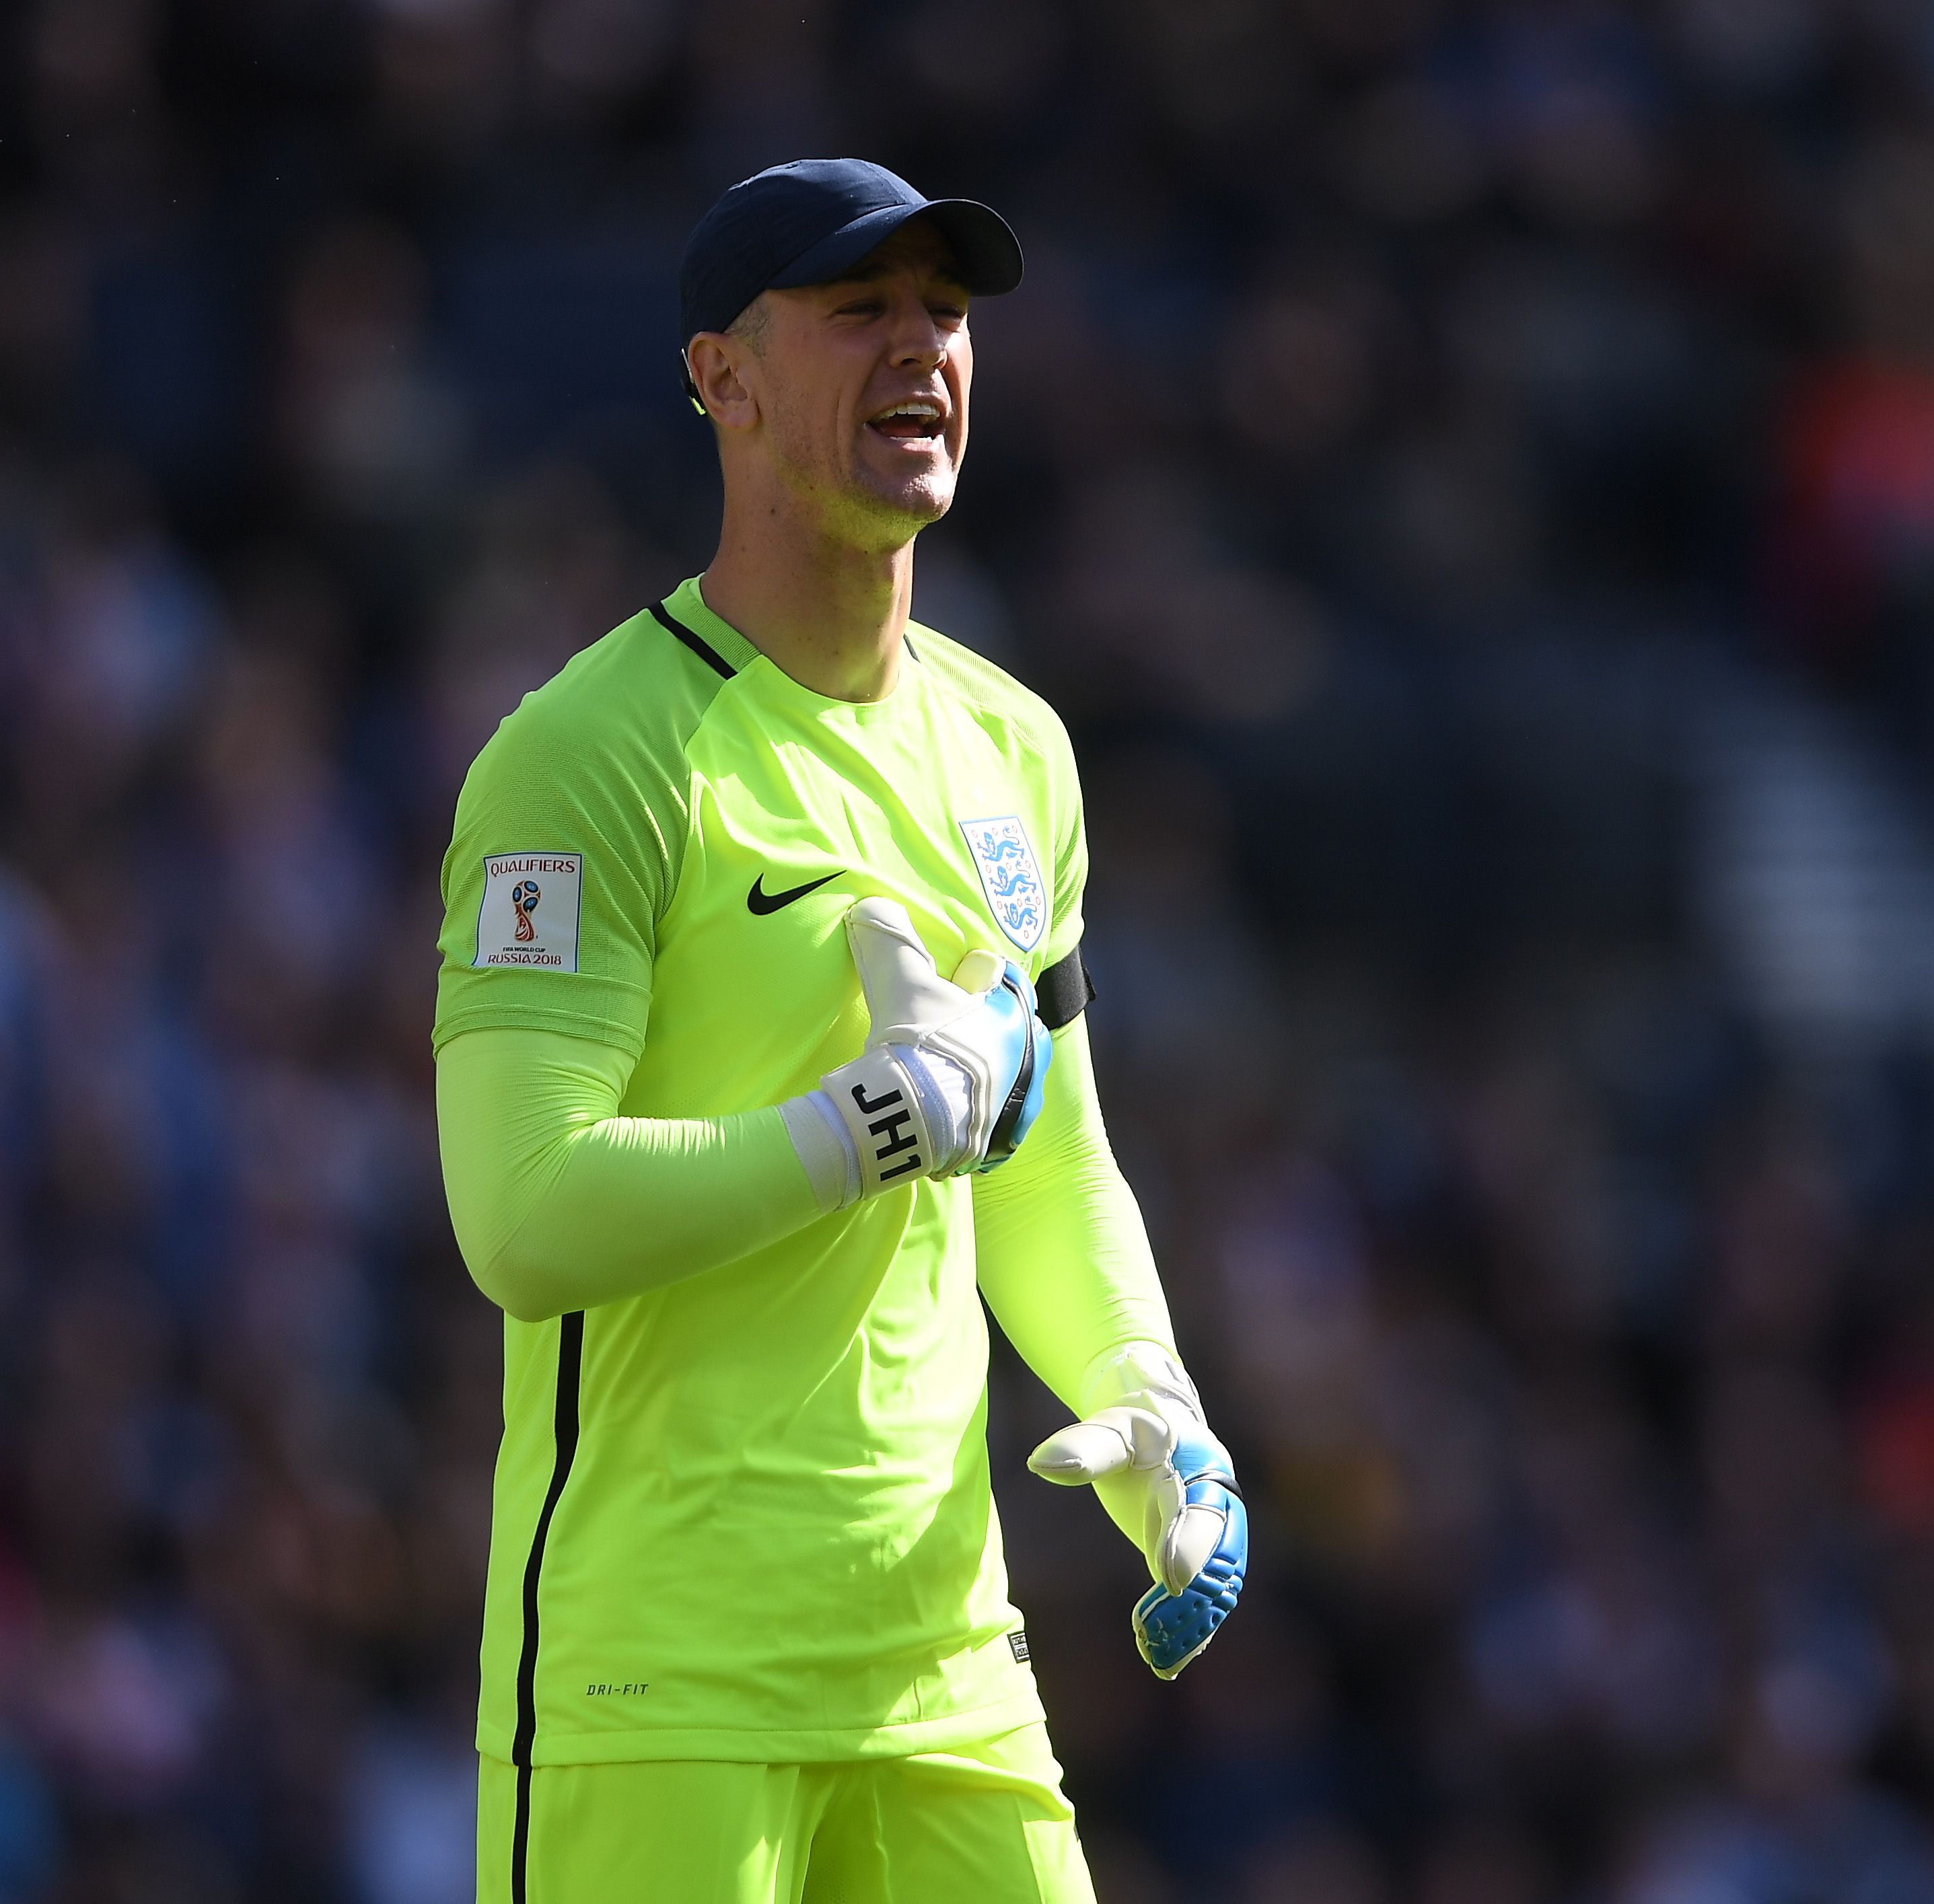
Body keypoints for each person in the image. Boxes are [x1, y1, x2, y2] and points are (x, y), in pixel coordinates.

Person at [430, 158, 1248, 1904]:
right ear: (719, 374)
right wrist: (861, 1126)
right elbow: (522, 1215)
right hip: (660, 1682)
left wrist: (1152, 1400)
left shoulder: (1017, 749)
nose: (922, 351)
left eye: (947, 314)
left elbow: (1051, 1163)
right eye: (859, 310)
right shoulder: (589, 759)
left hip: (945, 1671)